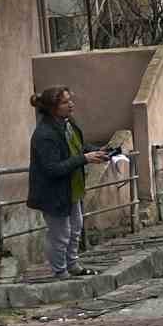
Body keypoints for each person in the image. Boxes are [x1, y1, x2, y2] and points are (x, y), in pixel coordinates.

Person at [26, 87, 111, 279]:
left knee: (75, 229)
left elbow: (78, 148)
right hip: (54, 192)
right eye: (65, 102)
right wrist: (85, 158)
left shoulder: (68, 124)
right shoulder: (44, 135)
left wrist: (99, 151)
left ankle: (73, 265)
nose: (71, 104)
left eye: (70, 100)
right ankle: (60, 271)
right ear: (52, 108)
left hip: (72, 188)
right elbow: (52, 168)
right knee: (60, 234)